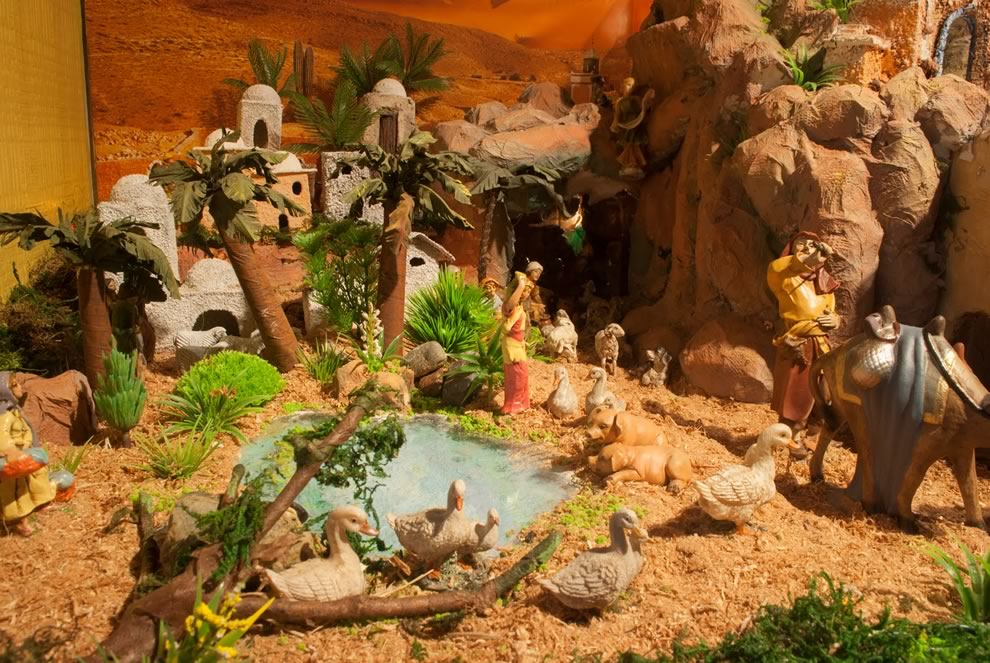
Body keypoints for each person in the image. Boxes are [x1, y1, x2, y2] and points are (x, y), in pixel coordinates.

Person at [767, 232, 840, 440]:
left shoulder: (823, 282)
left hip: (821, 343)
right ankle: (792, 436)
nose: (808, 247)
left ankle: (815, 435)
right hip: (800, 341)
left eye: (813, 244)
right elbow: (787, 266)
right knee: (796, 391)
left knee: (823, 391)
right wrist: (810, 258)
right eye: (802, 244)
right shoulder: (782, 275)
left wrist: (835, 319)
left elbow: (831, 310)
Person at [501, 273, 534, 415]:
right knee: (517, 376)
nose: (526, 294)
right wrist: (520, 284)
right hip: (512, 346)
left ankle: (522, 404)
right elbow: (506, 327)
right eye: (525, 291)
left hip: (519, 344)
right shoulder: (511, 308)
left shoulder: (519, 307)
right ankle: (513, 405)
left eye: (529, 291)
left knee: (522, 375)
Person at [610, 77, 655, 180]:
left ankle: (635, 165)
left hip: (637, 124)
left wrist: (647, 104)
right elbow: (617, 116)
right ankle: (628, 165)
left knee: (635, 143)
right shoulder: (619, 102)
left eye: (632, 86)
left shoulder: (636, 99)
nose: (630, 88)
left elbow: (643, 108)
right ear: (623, 86)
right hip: (626, 126)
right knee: (628, 143)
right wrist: (615, 125)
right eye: (628, 85)